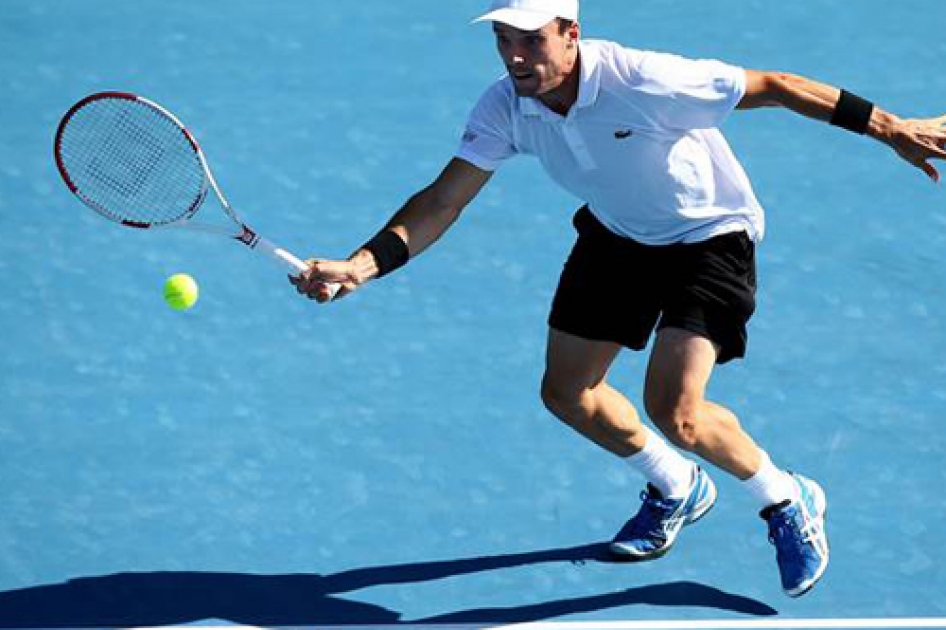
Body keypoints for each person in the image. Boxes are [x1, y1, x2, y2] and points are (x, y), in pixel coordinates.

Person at [291, 0, 946, 598]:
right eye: (502, 40)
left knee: (676, 408)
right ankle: (678, 486)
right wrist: (361, 265)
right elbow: (443, 199)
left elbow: (771, 85)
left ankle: (785, 497)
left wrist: (890, 128)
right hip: (617, 235)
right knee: (567, 393)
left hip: (708, 236)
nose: (515, 58)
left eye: (530, 41)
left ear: (570, 35)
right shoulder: (504, 105)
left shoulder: (644, 80)